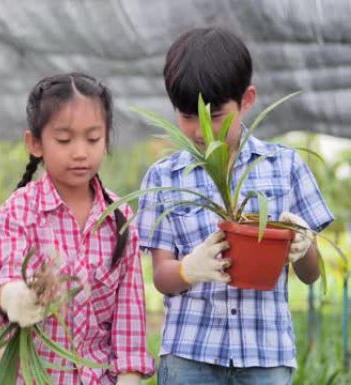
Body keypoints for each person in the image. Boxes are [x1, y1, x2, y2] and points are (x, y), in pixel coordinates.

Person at [136, 27, 334, 385]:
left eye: (214, 115)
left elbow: (311, 274)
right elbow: (161, 277)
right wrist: (188, 270)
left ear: (247, 100)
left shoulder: (284, 166)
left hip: (266, 355)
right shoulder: (163, 177)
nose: (200, 132)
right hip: (189, 354)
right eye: (187, 116)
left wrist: (303, 246)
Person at [0, 72, 155, 385]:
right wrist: (16, 298)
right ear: (35, 143)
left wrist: (129, 378)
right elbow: (4, 278)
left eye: (93, 139)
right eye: (64, 140)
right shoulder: (19, 211)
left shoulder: (120, 218)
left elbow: (129, 315)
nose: (80, 152)